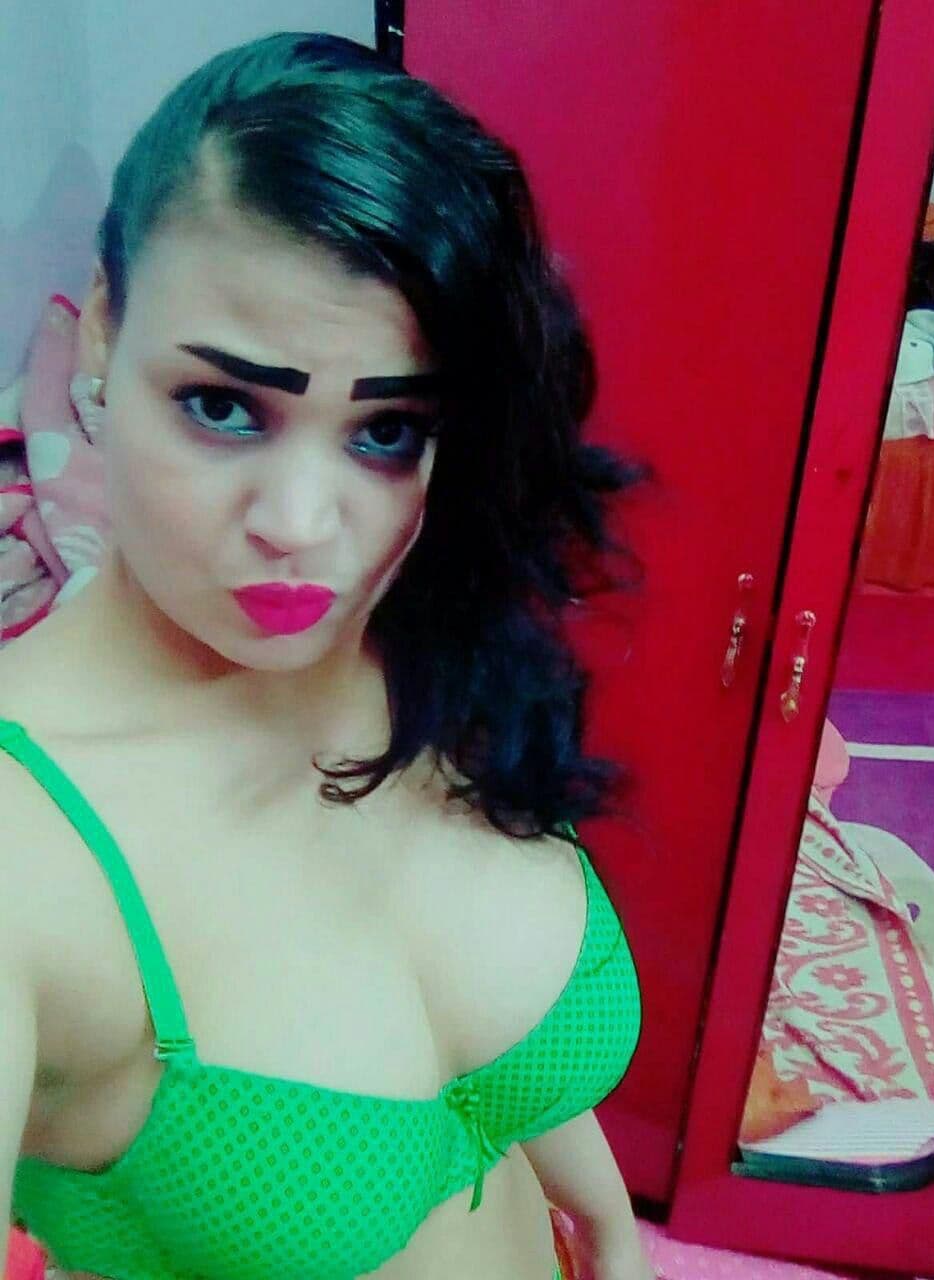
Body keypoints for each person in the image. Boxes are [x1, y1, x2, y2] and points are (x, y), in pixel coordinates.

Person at [0, 31, 652, 1280]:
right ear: (101, 331)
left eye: (386, 429)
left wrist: (616, 1237)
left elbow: (488, 1070)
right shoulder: (23, 849)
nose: (304, 528)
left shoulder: (419, 631)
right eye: (223, 406)